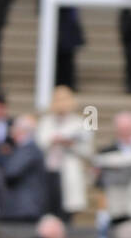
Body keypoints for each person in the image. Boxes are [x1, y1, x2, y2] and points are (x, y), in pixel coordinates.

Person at [35, 85, 92, 221]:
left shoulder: (79, 123)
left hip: (68, 171)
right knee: (48, 210)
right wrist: (53, 141)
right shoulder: (46, 122)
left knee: (66, 211)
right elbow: (38, 144)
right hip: (49, 171)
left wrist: (71, 144)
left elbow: (88, 151)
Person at [41, 0, 88, 90]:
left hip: (69, 25)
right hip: (54, 25)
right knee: (52, 57)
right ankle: (53, 85)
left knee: (68, 58)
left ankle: (68, 86)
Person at [0, 116, 48, 222]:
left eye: (14, 128)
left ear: (21, 131)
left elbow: (11, 172)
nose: (11, 131)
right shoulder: (23, 149)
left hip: (24, 208)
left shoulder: (28, 149)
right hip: (21, 208)